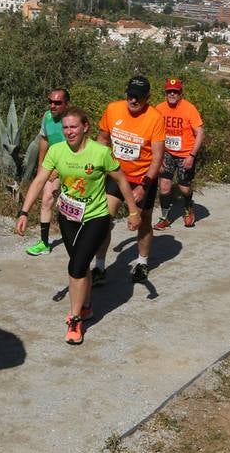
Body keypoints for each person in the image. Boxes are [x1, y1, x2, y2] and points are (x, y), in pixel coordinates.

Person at [17, 107, 141, 344]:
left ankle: (75, 320)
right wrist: (24, 212)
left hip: (95, 217)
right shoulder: (57, 150)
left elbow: (122, 180)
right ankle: (86, 306)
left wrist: (133, 211)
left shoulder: (100, 152)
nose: (69, 132)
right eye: (65, 127)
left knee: (76, 267)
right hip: (67, 216)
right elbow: (39, 180)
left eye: (73, 127)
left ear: (85, 127)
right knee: (81, 267)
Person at [96, 76, 166, 284]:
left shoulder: (155, 118)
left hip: (144, 177)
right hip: (117, 174)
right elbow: (102, 139)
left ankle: (142, 262)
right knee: (104, 219)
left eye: (139, 97)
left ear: (148, 98)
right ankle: (99, 267)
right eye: (130, 95)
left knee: (143, 220)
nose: (134, 100)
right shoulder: (113, 109)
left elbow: (157, 157)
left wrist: (144, 186)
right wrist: (98, 169)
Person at [154, 78, 205, 229]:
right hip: (167, 153)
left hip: (186, 154)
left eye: (175, 91)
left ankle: (188, 207)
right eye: (169, 91)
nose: (172, 94)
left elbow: (200, 132)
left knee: (184, 187)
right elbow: (154, 132)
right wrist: (158, 155)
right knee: (164, 186)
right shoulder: (159, 108)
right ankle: (164, 217)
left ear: (180, 93)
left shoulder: (189, 109)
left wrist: (192, 155)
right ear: (165, 92)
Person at [24, 88, 70, 256]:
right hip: (52, 164)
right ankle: (44, 242)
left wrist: (59, 169)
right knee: (47, 199)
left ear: (66, 104)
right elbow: (44, 141)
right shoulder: (47, 117)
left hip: (72, 167)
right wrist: (42, 167)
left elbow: (76, 147)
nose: (53, 105)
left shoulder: (71, 120)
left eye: (58, 102)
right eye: (50, 101)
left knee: (74, 204)